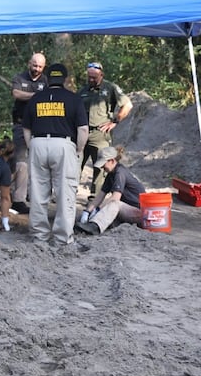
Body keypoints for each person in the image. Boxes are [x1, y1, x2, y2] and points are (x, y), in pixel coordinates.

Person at [24, 62, 89, 246]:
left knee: (38, 193)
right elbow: (83, 129)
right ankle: (62, 239)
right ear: (65, 80)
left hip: (37, 143)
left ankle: (39, 237)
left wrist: (32, 147)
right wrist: (78, 150)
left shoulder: (35, 99)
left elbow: (26, 129)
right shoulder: (74, 99)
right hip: (63, 144)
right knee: (64, 193)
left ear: (47, 78)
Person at [79, 61, 132, 195]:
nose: (91, 80)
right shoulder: (83, 90)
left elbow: (127, 105)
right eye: (89, 77)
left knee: (100, 169)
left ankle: (93, 203)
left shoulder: (110, 88)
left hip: (100, 134)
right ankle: (68, 200)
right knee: (74, 166)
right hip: (82, 133)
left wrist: (115, 121)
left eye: (94, 77)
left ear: (101, 75)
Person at [8, 52, 47, 214]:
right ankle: (18, 199)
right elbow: (16, 94)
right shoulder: (19, 78)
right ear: (29, 63)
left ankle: (36, 195)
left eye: (39, 66)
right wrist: (36, 96)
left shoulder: (46, 80)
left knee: (39, 162)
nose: (36, 69)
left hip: (41, 126)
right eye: (34, 65)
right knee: (21, 162)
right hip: (21, 124)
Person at [76, 146, 146, 235]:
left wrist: (98, 210)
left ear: (112, 161)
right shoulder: (110, 175)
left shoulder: (120, 173)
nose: (102, 167)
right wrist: (87, 212)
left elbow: (115, 198)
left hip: (138, 213)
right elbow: (99, 197)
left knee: (114, 204)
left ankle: (95, 227)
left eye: (103, 164)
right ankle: (79, 226)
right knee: (85, 215)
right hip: (126, 211)